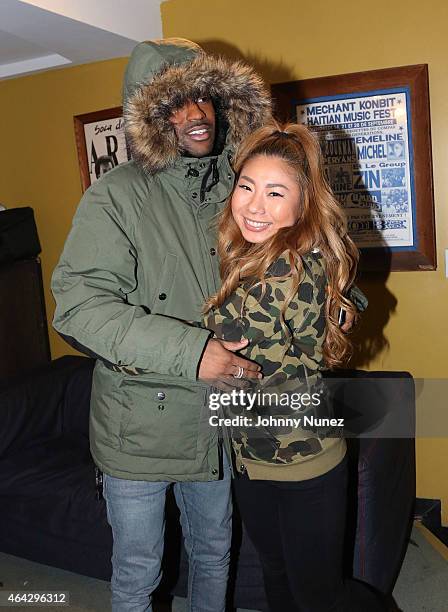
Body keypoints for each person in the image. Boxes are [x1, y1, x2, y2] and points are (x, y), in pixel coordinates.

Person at [51, 38, 271, 612]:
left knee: (214, 552)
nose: (196, 114)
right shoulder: (115, 196)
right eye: (175, 103)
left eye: (204, 97)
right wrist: (196, 354)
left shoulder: (236, 188)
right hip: (137, 431)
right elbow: (78, 304)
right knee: (138, 574)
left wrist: (337, 297)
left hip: (216, 420)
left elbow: (297, 255)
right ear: (147, 115)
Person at [203, 121, 386, 612]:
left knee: (317, 595)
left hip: (302, 463)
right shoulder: (261, 254)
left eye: (275, 192)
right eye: (246, 186)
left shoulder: (286, 265)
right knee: (279, 579)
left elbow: (231, 349)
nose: (254, 205)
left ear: (302, 205)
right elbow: (350, 296)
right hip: (254, 455)